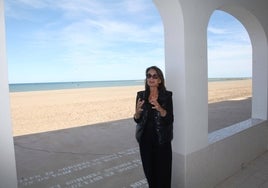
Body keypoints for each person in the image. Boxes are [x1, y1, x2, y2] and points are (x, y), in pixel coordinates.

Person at [134, 66, 174, 188]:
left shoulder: (166, 96)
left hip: (162, 141)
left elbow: (169, 119)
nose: (151, 78)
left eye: (155, 76)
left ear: (160, 80)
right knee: (150, 173)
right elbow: (137, 119)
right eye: (148, 75)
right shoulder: (141, 95)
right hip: (145, 141)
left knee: (164, 175)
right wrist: (138, 112)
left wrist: (159, 108)